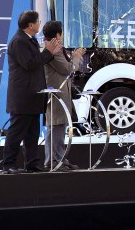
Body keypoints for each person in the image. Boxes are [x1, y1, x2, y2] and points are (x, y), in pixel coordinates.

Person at [0, 11, 61, 174]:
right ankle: (9, 164)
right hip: (22, 95)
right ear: (31, 25)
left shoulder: (30, 40)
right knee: (16, 132)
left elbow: (37, 62)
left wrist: (50, 53)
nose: (40, 23)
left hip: (34, 94)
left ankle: (32, 163)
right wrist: (47, 52)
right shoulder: (19, 41)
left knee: (32, 133)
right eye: (38, 21)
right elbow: (29, 64)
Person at [42, 21, 86, 171]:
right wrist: (77, 57)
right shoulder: (53, 49)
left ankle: (59, 158)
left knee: (59, 126)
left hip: (60, 93)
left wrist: (73, 55)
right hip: (56, 94)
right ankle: (53, 160)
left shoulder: (53, 47)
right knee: (56, 126)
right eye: (61, 32)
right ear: (57, 34)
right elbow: (68, 69)